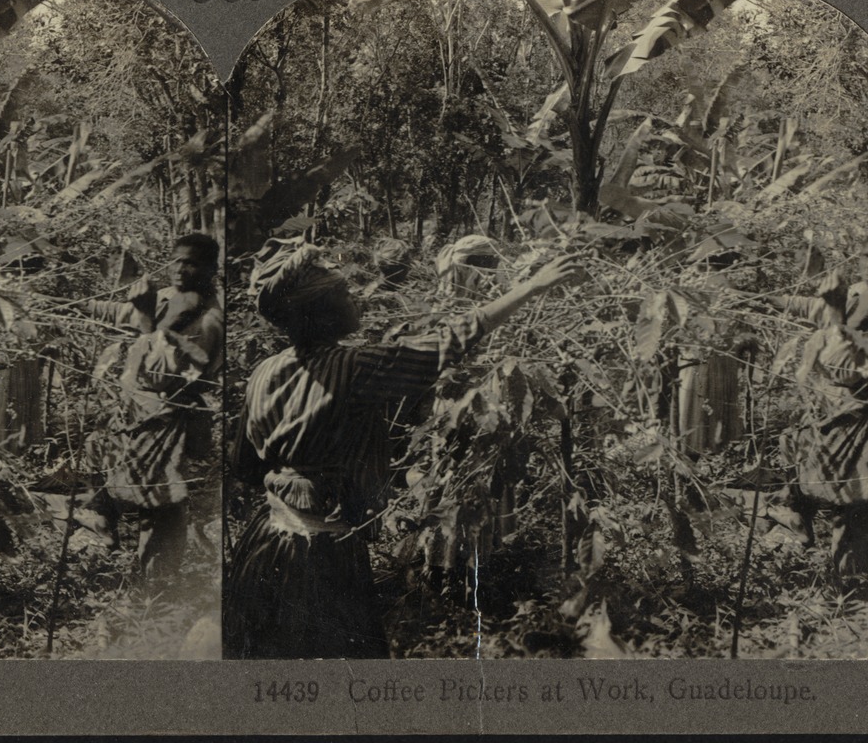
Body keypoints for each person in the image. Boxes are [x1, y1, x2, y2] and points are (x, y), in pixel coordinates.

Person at [224, 237, 584, 659]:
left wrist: (294, 471)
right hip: (317, 555)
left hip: (265, 542)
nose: (353, 298)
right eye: (342, 293)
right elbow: (448, 342)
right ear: (318, 312)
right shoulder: (354, 368)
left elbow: (244, 465)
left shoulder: (263, 371)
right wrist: (532, 287)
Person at [83, 232, 224, 580]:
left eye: (191, 263)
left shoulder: (208, 320)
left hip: (168, 418)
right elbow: (124, 314)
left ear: (211, 269)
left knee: (161, 503)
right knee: (99, 458)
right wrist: (78, 304)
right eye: (176, 260)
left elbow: (164, 375)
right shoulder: (170, 298)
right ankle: (107, 525)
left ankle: (158, 588)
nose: (179, 269)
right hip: (135, 411)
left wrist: (147, 318)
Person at [776, 229, 868, 582]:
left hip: (861, 411)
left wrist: (834, 312)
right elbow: (815, 308)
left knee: (851, 502)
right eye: (866, 255)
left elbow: (848, 370)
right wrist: (762, 299)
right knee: (793, 448)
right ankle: (799, 520)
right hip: (830, 404)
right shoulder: (860, 292)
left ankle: (851, 584)